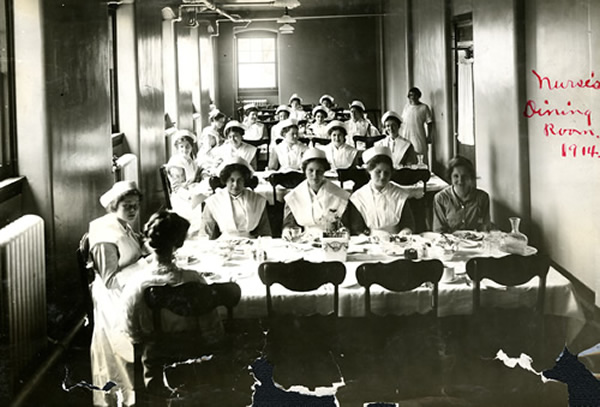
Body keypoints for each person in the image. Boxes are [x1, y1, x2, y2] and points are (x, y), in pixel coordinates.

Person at [123, 210, 224, 392]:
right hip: (194, 359)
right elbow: (212, 330)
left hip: (156, 360)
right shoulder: (193, 280)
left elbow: (132, 333)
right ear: (178, 243)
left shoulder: (137, 284)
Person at [88, 181, 146, 407]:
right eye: (127, 206)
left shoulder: (123, 225)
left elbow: (133, 251)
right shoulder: (105, 232)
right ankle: (123, 399)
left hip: (129, 290)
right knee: (122, 349)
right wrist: (146, 263)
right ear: (114, 205)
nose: (132, 210)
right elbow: (110, 280)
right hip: (113, 300)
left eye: (135, 206)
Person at [282, 148, 352, 239]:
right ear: (304, 171)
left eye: (319, 172)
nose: (315, 176)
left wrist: (345, 231)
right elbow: (289, 223)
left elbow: (345, 225)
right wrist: (287, 230)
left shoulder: (339, 195)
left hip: (332, 240)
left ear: (324, 172)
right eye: (310, 170)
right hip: (305, 239)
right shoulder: (294, 195)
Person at [349, 146, 415, 238]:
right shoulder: (359, 196)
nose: (382, 176)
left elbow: (408, 223)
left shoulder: (400, 194)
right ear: (369, 171)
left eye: (386, 172)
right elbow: (357, 229)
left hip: (397, 240)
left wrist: (405, 231)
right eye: (378, 172)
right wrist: (364, 238)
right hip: (370, 242)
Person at [201, 157, 271, 239]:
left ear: (245, 180)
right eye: (232, 180)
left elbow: (265, 232)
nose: (236, 185)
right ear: (225, 180)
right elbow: (205, 233)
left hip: (250, 243)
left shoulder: (257, 200)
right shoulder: (214, 201)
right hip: (224, 244)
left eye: (240, 180)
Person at [433, 156, 491, 233]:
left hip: (475, 243)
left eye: (465, 176)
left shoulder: (482, 197)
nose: (460, 181)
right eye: (456, 176)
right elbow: (439, 231)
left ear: (471, 177)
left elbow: (485, 228)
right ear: (450, 177)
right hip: (450, 243)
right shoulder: (440, 198)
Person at [400, 87, 433, 161]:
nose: (413, 97)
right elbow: (402, 121)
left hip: (418, 136)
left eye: (415, 95)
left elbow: (430, 123)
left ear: (419, 96)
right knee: (407, 155)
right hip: (406, 136)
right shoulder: (406, 107)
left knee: (420, 156)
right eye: (411, 95)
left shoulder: (424, 107)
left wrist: (429, 136)